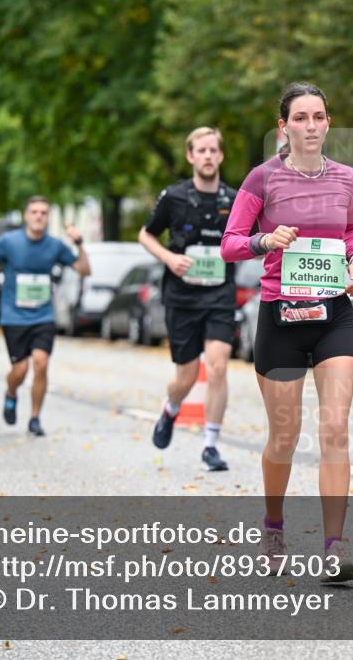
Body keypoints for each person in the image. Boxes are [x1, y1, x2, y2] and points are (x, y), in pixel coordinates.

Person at [220, 83, 353, 582]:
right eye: (299, 117)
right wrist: (266, 239)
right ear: (283, 126)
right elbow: (230, 244)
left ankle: (332, 549)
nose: (310, 125)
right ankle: (274, 526)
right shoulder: (262, 179)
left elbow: (352, 230)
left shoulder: (347, 178)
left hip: (333, 315)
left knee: (335, 429)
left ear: (328, 123)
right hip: (281, 317)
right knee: (285, 437)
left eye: (318, 116)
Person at [138, 127, 239, 472]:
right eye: (202, 150)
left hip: (220, 294)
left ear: (221, 156)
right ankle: (171, 409)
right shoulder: (174, 196)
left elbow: (248, 239)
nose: (208, 156)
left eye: (214, 150)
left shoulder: (235, 199)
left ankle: (210, 445)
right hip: (181, 295)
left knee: (218, 365)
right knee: (186, 375)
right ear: (190, 156)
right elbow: (145, 234)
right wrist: (169, 258)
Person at [0, 196, 90, 437]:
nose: (39, 216)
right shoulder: (9, 242)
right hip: (14, 317)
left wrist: (79, 243)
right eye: (34, 212)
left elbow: (84, 270)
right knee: (20, 370)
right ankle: (11, 393)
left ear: (47, 217)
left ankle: (35, 418)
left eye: (44, 213)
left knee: (41, 363)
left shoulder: (55, 245)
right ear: (26, 216)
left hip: (43, 316)